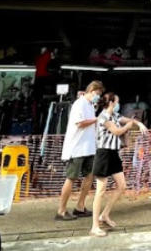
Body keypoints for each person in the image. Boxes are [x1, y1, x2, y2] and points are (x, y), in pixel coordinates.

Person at [90, 92, 147, 237]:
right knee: (100, 191)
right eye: (117, 102)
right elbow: (116, 131)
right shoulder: (103, 117)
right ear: (111, 103)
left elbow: (128, 120)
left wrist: (138, 123)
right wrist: (128, 126)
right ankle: (95, 226)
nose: (118, 104)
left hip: (114, 154)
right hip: (103, 154)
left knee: (122, 185)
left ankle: (105, 214)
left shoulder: (115, 116)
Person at [56, 81, 103, 221]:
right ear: (92, 90)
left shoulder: (90, 106)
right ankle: (61, 210)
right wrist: (97, 119)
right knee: (71, 177)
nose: (98, 97)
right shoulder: (79, 104)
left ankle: (80, 206)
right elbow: (80, 123)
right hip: (76, 148)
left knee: (89, 176)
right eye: (98, 94)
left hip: (89, 147)